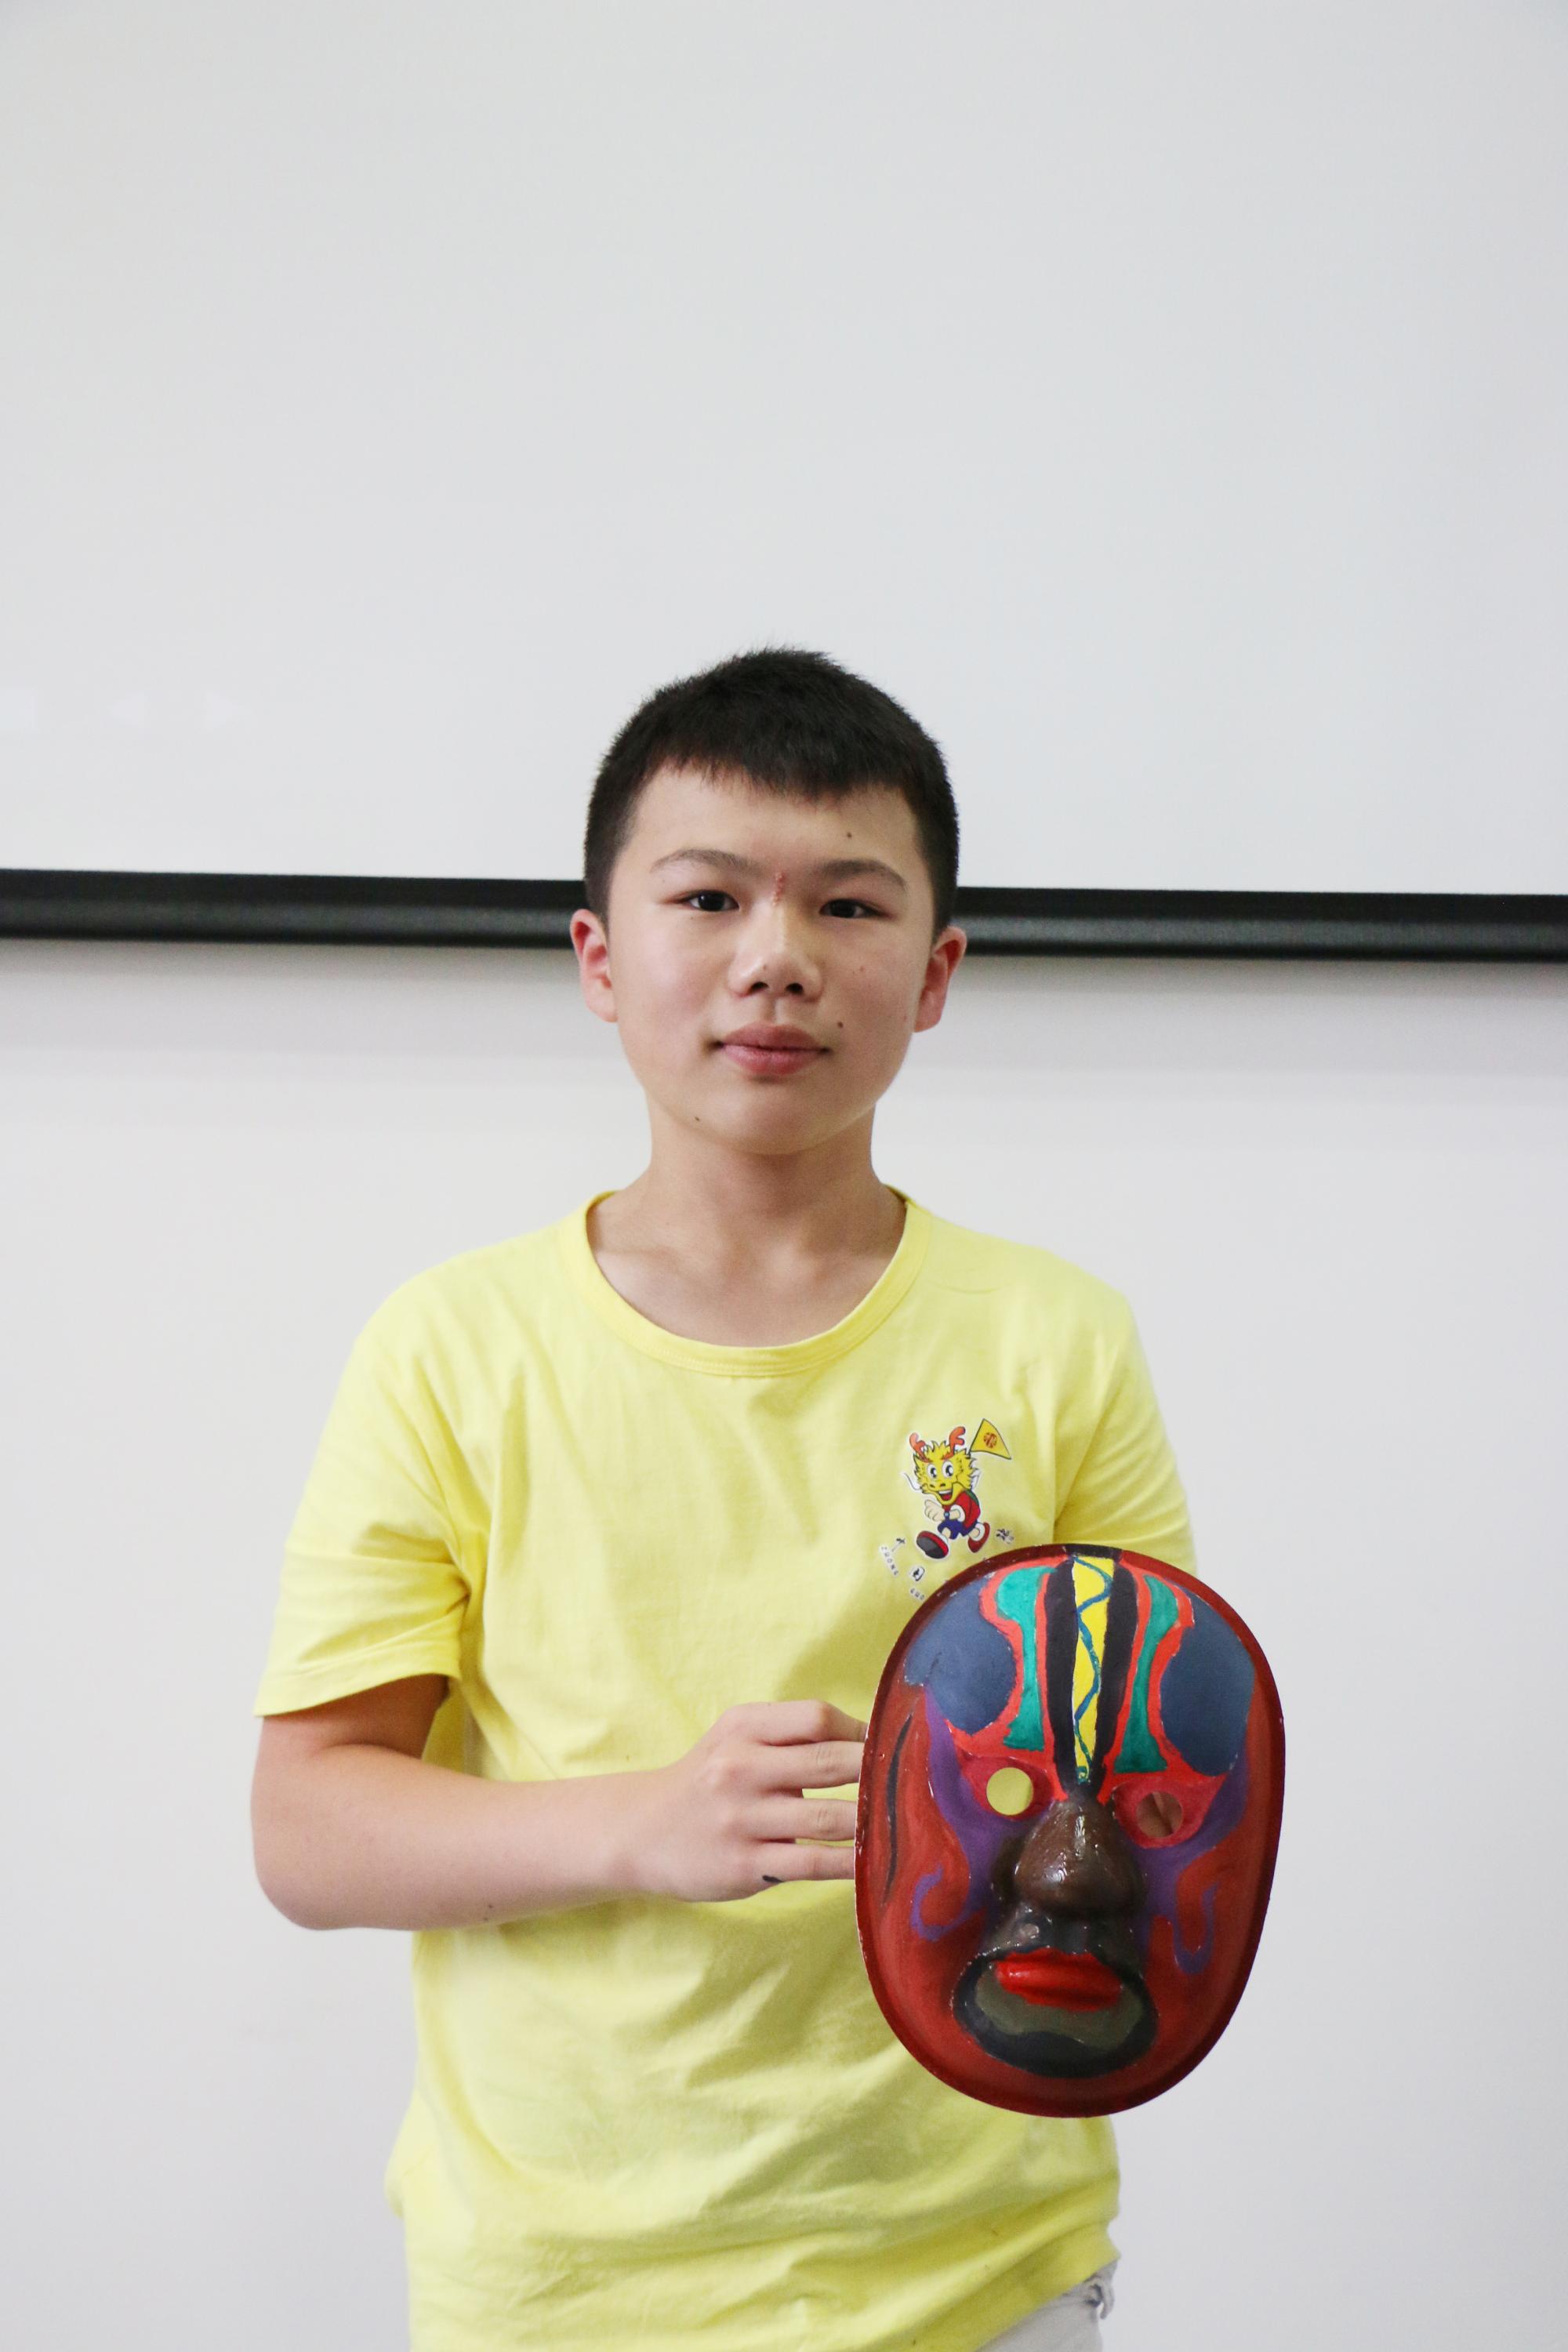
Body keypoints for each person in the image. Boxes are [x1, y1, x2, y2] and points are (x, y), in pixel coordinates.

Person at [250, 646, 1194, 2352]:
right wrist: (643, 1825)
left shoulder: (1059, 1338)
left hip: (979, 2268)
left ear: (938, 972)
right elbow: (308, 1826)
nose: (777, 958)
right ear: (600, 960)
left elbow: (1151, 1780)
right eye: (709, 897)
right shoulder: (453, 1347)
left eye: (849, 904)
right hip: (566, 2283)